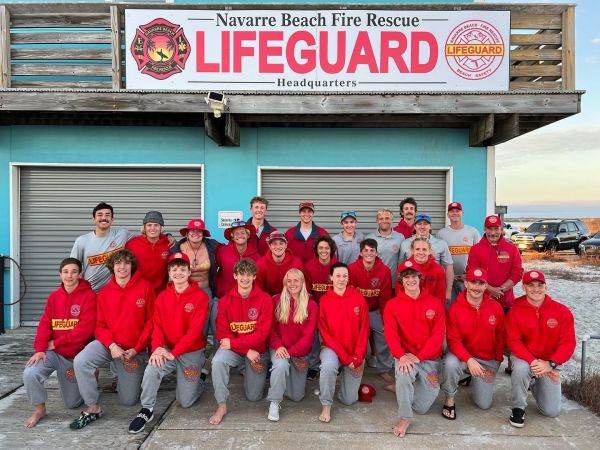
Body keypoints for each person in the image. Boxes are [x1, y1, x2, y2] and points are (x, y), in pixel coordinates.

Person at [70, 249, 155, 430]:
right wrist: (112, 345)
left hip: (133, 350)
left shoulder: (146, 287)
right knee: (81, 360)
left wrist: (137, 348)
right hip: (108, 345)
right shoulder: (104, 293)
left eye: (126, 263)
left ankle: (122, 374)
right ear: (112, 266)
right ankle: (93, 406)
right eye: (118, 263)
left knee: (128, 400)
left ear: (132, 266)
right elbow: (99, 326)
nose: (122, 267)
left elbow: (151, 322)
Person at [129, 252, 210, 434]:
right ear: (169, 273)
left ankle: (200, 378)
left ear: (189, 272)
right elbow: (157, 326)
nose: (178, 272)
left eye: (182, 269)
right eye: (174, 269)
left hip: (191, 351)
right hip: (167, 348)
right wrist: (158, 348)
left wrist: (173, 354)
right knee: (152, 368)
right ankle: (146, 409)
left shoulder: (201, 297)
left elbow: (194, 332)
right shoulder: (162, 297)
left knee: (185, 401)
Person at [23, 258, 96, 428]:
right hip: (54, 354)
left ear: (80, 274)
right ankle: (40, 409)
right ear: (60, 274)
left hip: (75, 357)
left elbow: (85, 330)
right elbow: (44, 325)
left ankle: (90, 374)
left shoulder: (89, 296)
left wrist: (56, 343)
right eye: (65, 272)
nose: (69, 276)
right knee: (30, 373)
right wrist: (40, 349)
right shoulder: (54, 297)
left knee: (72, 403)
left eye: (74, 272)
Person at [506, 270, 576, 428]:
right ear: (524, 287)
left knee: (551, 411)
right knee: (521, 369)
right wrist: (532, 361)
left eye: (540, 285)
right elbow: (514, 341)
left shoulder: (562, 311)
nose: (535, 289)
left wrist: (551, 363)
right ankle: (518, 408)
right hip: (525, 358)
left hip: (549, 361)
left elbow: (568, 343)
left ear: (546, 286)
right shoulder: (515, 310)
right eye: (531, 285)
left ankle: (535, 384)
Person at [383, 261, 445, 438]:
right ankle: (405, 418)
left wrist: (420, 356)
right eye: (406, 277)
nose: (410, 280)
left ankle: (402, 389)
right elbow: (391, 335)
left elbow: (438, 336)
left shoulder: (434, 303)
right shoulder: (392, 305)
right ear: (401, 281)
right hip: (405, 356)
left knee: (421, 407)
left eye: (414, 276)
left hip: (428, 358)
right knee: (404, 374)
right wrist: (401, 356)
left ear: (420, 278)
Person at [209, 259, 273, 426]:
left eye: (249, 274)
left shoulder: (265, 299)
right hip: (237, 350)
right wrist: (245, 350)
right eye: (241, 274)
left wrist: (237, 345)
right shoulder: (225, 300)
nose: (245, 278)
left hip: (257, 351)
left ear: (254, 276)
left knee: (253, 397)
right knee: (218, 361)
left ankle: (246, 369)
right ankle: (221, 405)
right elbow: (222, 333)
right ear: (235, 276)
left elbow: (262, 334)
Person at [440, 267, 505, 420]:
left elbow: (501, 336)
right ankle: (449, 398)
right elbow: (453, 341)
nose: (477, 287)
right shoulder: (455, 309)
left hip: (486, 359)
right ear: (466, 283)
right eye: (473, 282)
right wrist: (469, 360)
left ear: (485, 286)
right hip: (463, 356)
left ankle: (471, 377)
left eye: (481, 283)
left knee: (484, 404)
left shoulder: (496, 308)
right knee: (450, 363)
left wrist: (497, 362)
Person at [318, 262, 369, 423]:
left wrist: (358, 355)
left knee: (348, 400)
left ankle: (344, 382)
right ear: (331, 278)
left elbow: (364, 329)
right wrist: (345, 357)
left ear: (348, 278)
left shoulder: (358, 298)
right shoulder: (325, 300)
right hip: (332, 349)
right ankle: (326, 404)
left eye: (344, 276)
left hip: (355, 351)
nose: (341, 279)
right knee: (328, 366)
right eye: (338, 276)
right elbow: (325, 333)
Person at [266, 269, 318, 422]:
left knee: (296, 396)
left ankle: (281, 379)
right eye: (289, 281)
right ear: (285, 283)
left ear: (302, 282)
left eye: (296, 280)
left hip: (299, 352)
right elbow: (270, 328)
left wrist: (291, 351)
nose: (292, 284)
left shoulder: (311, 305)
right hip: (280, 348)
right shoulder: (276, 300)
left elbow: (308, 337)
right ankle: (274, 402)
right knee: (281, 365)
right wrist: (278, 346)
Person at [348, 239, 394, 384]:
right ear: (361, 253)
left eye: (372, 250)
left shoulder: (384, 270)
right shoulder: (352, 268)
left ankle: (384, 368)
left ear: (376, 253)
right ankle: (352, 366)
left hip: (375, 310)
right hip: (357, 311)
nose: (369, 253)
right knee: (352, 337)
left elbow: (385, 296)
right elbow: (350, 294)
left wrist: (385, 317)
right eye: (366, 250)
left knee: (384, 335)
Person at [171, 218, 221, 342]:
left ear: (203, 234)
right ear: (187, 234)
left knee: (206, 320)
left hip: (205, 289)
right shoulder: (178, 248)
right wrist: (168, 236)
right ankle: (188, 348)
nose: (196, 234)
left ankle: (202, 348)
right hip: (186, 292)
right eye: (192, 231)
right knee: (187, 322)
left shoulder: (212, 246)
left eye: (199, 231)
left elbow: (231, 248)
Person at [71, 202, 135, 292]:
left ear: (112, 219)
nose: (104, 218)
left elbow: (142, 241)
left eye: (107, 215)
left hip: (114, 291)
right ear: (93, 219)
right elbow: (72, 266)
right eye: (100, 215)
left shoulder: (122, 234)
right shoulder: (82, 241)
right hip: (91, 291)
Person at [467, 215, 523, 311]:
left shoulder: (512, 249)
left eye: (496, 229)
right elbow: (471, 273)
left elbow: (517, 273)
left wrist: (501, 290)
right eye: (489, 229)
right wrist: (490, 289)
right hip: (481, 302)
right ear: (484, 229)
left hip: (505, 302)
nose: (493, 233)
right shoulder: (476, 249)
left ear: (501, 229)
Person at [304, 235, 338, 379]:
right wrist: (314, 309)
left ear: (331, 249)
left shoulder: (337, 266)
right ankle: (313, 366)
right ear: (316, 250)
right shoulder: (309, 266)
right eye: (320, 248)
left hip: (332, 308)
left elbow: (340, 291)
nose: (324, 251)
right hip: (315, 306)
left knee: (333, 337)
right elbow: (307, 291)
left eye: (327, 248)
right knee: (313, 336)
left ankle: (335, 364)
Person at [400, 214, 454, 303]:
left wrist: (448, 291)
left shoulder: (441, 244)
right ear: (414, 226)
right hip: (411, 291)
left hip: (433, 287)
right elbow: (401, 269)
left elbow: (449, 267)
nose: (422, 226)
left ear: (430, 226)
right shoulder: (405, 243)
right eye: (419, 224)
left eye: (425, 224)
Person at [436, 202, 481, 303]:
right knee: (449, 306)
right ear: (448, 214)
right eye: (452, 211)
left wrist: (470, 274)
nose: (455, 213)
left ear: (462, 213)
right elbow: (438, 258)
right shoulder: (441, 233)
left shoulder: (472, 231)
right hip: (448, 280)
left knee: (468, 306)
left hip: (468, 279)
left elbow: (479, 256)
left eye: (457, 211)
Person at [126, 211, 171, 295]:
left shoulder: (169, 244)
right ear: (144, 227)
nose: (152, 228)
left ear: (161, 228)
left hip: (161, 292)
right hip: (138, 291)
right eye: (149, 225)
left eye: (156, 225)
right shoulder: (132, 244)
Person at [216, 220, 259, 298]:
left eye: (243, 233)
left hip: (247, 297)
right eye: (236, 233)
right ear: (232, 237)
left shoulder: (256, 256)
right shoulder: (222, 252)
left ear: (248, 235)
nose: (240, 236)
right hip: (225, 296)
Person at [397, 237, 446, 304]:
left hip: (430, 307)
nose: (421, 252)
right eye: (417, 249)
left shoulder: (438, 269)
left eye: (424, 249)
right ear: (412, 251)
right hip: (408, 305)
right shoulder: (403, 267)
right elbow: (399, 292)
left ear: (429, 251)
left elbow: (440, 295)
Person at [256, 231, 304, 296]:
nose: (278, 247)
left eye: (281, 243)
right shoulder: (260, 264)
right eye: (274, 244)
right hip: (268, 299)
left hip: (291, 299)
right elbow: (258, 290)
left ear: (286, 245)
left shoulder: (297, 263)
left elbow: (301, 288)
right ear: (269, 246)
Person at [366, 208, 405, 281]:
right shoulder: (369, 238)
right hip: (374, 281)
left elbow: (402, 261)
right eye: (381, 219)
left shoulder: (400, 237)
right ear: (377, 221)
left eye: (387, 218)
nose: (384, 221)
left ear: (391, 220)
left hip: (393, 280)